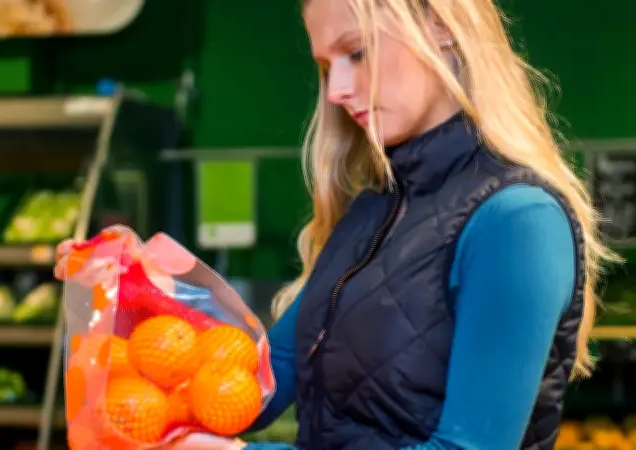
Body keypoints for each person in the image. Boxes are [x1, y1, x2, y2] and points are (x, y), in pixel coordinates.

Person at [56, 0, 619, 448]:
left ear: (440, 25)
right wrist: (136, 289)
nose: (336, 91)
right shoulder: (373, 208)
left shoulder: (517, 220)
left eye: (358, 53)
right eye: (326, 66)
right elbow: (259, 378)